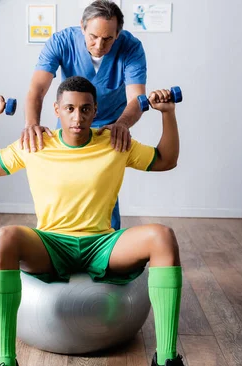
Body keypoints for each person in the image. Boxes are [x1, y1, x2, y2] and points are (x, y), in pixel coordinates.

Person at [0, 77, 206, 366]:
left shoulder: (114, 141)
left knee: (162, 236)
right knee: (4, 237)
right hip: (50, 243)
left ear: (95, 111)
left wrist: (167, 113)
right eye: (69, 109)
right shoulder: (35, 143)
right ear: (57, 110)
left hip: (101, 243)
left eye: (85, 109)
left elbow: (166, 160)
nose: (77, 117)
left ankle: (165, 360)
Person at [23, 0, 148, 229]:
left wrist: (122, 125)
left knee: (102, 185)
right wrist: (31, 124)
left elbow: (137, 99)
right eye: (93, 36)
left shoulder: (131, 47)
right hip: (73, 118)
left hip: (112, 124)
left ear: (118, 34)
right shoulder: (61, 41)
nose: (99, 45)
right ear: (82, 27)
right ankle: (59, 238)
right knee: (65, 181)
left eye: (108, 38)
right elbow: (37, 89)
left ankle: (107, 245)